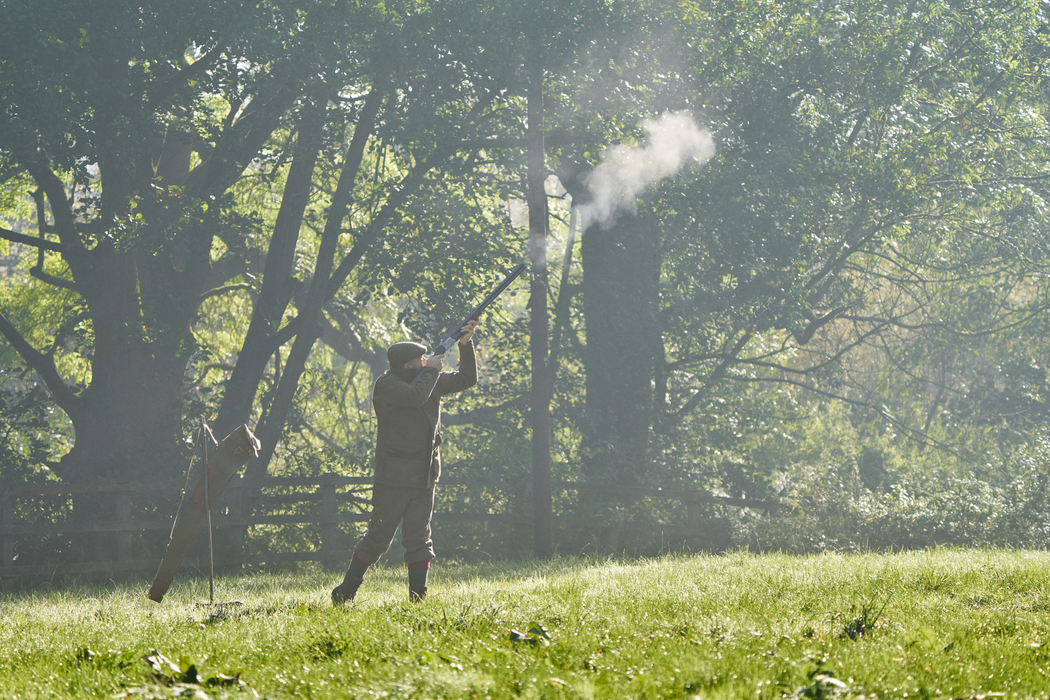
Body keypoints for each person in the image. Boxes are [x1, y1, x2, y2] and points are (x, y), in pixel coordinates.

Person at [332, 319, 479, 604]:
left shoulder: (427, 377)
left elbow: (467, 379)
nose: (426, 361)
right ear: (407, 366)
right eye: (419, 360)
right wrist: (432, 370)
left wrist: (465, 343)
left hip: (424, 474)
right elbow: (414, 397)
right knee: (377, 539)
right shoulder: (387, 384)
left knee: (419, 540)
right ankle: (346, 592)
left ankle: (417, 599)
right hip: (394, 478)